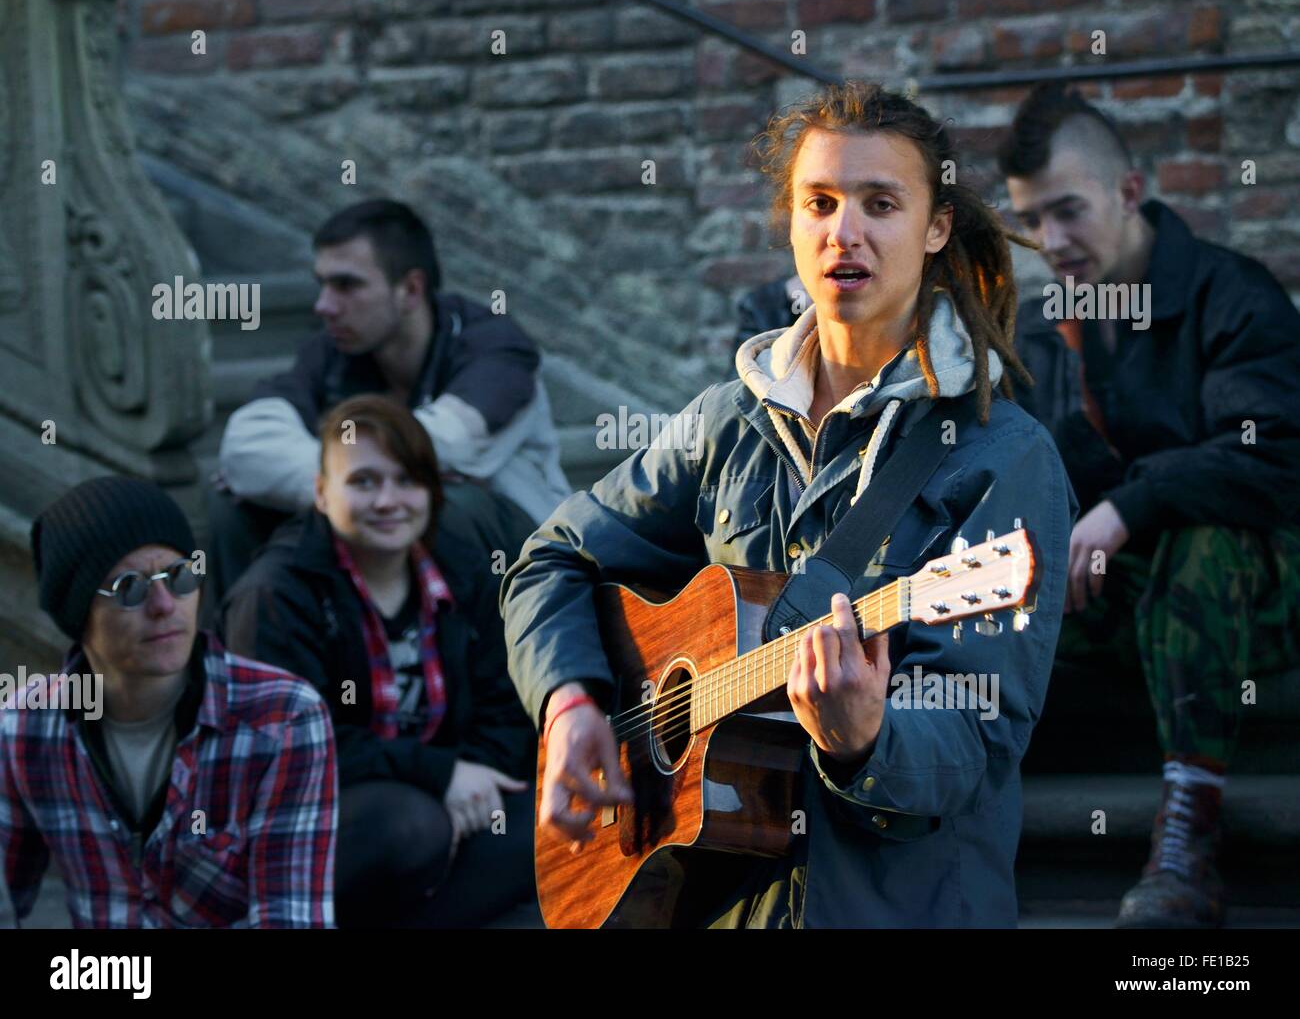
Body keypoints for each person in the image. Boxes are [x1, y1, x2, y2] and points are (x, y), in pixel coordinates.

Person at [501, 80, 1075, 928]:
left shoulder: (1003, 457)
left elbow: (978, 741)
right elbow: (553, 558)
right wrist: (572, 702)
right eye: (821, 203)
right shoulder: (725, 422)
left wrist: (866, 740)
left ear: (936, 227)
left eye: (881, 204)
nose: (846, 232)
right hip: (709, 901)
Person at [998, 82, 1300, 929]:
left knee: (1201, 534)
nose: (1052, 242)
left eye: (1068, 211)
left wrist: (1129, 506)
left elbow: (1272, 455)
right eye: (1033, 220)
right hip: (1123, 605)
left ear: (1129, 191)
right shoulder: (1039, 329)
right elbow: (1017, 470)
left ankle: (1187, 840)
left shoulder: (1231, 295)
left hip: (1257, 592)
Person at [217, 394, 536, 928]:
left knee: (556, 823)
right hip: (307, 821)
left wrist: (473, 786)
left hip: (443, 805)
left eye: (406, 481)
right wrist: (440, 776)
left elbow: (505, 703)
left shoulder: (460, 569)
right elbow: (295, 750)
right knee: (410, 826)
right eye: (364, 482)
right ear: (321, 493)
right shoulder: (276, 594)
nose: (389, 500)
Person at [0, 477, 336, 928]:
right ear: (78, 614)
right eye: (129, 589)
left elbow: (289, 919)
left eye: (179, 577)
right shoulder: (24, 727)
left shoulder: (285, 717)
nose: (163, 605)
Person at [206, 198, 570, 611]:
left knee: (444, 507)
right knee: (233, 509)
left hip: (522, 546)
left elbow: (443, 447)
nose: (323, 305)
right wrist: (345, 487)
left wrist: (333, 482)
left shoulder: (497, 351)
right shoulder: (333, 354)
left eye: (346, 285)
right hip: (384, 527)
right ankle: (251, 662)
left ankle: (464, 665)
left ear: (410, 289)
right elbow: (246, 447)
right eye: (322, 284)